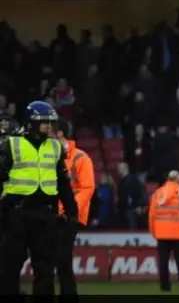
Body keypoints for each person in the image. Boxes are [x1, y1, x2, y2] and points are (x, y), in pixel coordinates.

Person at [0, 101, 77, 295]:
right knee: (10, 266)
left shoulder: (56, 147)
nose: (49, 126)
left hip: (45, 214)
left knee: (45, 268)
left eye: (50, 122)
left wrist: (72, 211)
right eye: (44, 121)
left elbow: (63, 183)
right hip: (17, 212)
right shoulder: (12, 144)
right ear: (31, 122)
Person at [54, 118, 95, 296]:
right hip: (52, 214)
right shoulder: (52, 156)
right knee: (56, 261)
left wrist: (68, 210)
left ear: (59, 133)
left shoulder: (80, 158)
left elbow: (87, 188)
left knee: (62, 261)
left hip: (69, 216)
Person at [148, 170, 179, 293]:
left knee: (163, 261)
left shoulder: (157, 194)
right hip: (178, 233)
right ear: (178, 179)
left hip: (162, 233)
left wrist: (154, 232)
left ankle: (165, 286)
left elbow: (151, 215)